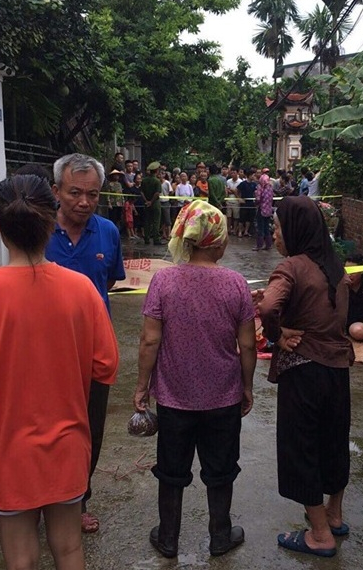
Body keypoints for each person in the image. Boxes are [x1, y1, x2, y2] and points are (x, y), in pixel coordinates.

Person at [0, 174, 119, 570]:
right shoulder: (83, 290)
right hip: (67, 448)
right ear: (51, 221)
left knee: (20, 559)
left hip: (6, 453)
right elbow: (105, 365)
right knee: (69, 549)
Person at [134, 200, 256, 559]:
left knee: (171, 469)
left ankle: (168, 537)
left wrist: (142, 386)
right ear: (217, 240)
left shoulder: (164, 281)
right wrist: (247, 386)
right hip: (223, 396)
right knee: (221, 469)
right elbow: (248, 344)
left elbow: (150, 340)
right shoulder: (235, 284)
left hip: (175, 397)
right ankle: (220, 535)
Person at [257, 196, 353, 558]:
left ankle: (320, 535)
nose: (275, 235)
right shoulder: (334, 266)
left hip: (303, 371)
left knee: (302, 448)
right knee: (334, 441)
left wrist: (277, 334)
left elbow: (269, 307)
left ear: (296, 230)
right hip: (337, 369)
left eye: (278, 228)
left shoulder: (292, 267)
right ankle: (334, 515)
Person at [45, 153, 125, 533]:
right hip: (45, 352)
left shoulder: (108, 232)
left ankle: (78, 500)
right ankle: (43, 496)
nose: (84, 202)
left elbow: (107, 281)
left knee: (90, 430)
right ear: (56, 191)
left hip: (94, 350)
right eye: (74, 193)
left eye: (92, 194)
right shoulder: (40, 232)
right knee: (47, 430)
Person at [345, 253, 363, 341]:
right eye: (347, 271)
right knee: (357, 331)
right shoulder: (341, 285)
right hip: (351, 324)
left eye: (353, 271)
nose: (349, 274)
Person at [141, 161, 163, 245]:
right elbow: (157, 193)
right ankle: (156, 239)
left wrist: (146, 201)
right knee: (156, 221)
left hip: (146, 203)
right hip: (155, 203)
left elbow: (141, 192)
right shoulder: (157, 181)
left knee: (147, 221)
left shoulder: (144, 180)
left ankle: (146, 238)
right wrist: (151, 201)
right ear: (156, 170)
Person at [253, 173, 273, 251]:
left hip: (261, 209)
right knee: (266, 228)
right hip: (268, 210)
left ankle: (259, 245)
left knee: (260, 228)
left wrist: (255, 202)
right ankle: (268, 244)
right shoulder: (270, 188)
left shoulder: (260, 187)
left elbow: (258, 199)